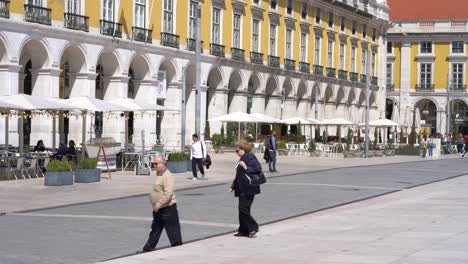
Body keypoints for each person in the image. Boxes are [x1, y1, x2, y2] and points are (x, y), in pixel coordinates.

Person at [142, 156, 182, 252]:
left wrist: (158, 204)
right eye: (154, 163)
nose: (154, 165)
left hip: (168, 208)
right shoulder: (159, 174)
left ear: (163, 164)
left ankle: (178, 250)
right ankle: (148, 248)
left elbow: (168, 194)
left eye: (156, 163)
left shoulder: (167, 176)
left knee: (173, 232)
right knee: (155, 229)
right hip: (159, 209)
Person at [229, 140, 262, 238]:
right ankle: (243, 230)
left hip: (249, 188)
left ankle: (253, 227)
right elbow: (239, 175)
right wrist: (233, 186)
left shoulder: (250, 157)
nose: (236, 152)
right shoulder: (242, 158)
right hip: (242, 188)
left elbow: (258, 168)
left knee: (243, 209)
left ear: (243, 149)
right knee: (243, 209)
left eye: (237, 150)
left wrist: (246, 167)